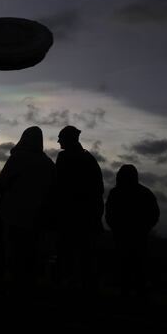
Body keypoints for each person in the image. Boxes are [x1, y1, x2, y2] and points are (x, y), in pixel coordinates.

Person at [0, 126, 55, 292]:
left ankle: (13, 286)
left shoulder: (18, 158)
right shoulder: (48, 164)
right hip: (36, 219)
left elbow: (2, 181)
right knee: (31, 255)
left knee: (13, 254)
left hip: (12, 216)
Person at [53, 125, 104, 293]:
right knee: (84, 257)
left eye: (61, 137)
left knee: (70, 255)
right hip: (85, 217)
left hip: (70, 217)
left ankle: (70, 286)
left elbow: (57, 187)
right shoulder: (89, 159)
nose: (58, 141)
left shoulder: (65, 158)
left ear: (68, 139)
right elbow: (98, 190)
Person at [104, 164, 160, 299]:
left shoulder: (115, 193)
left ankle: (126, 295)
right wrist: (144, 229)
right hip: (138, 238)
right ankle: (139, 296)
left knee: (125, 268)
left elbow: (109, 214)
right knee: (138, 268)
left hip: (123, 237)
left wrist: (116, 229)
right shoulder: (145, 193)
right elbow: (154, 214)